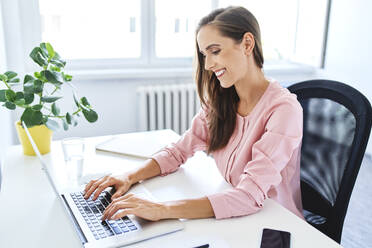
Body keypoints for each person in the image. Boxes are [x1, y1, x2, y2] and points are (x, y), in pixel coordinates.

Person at [84, 6, 304, 222]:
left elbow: (249, 196)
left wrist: (161, 210)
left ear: (247, 43)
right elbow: (177, 152)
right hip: (235, 216)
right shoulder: (222, 100)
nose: (208, 64)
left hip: (276, 224)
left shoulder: (283, 110)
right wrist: (129, 176)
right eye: (204, 54)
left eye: (215, 51)